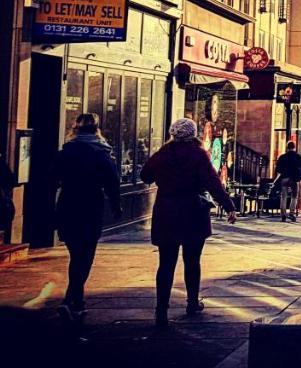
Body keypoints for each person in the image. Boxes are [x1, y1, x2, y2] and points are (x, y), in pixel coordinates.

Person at [141, 118, 237, 329]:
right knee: (192, 261)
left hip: (166, 211)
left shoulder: (163, 154)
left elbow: (145, 175)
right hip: (193, 211)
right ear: (192, 134)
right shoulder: (198, 154)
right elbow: (213, 183)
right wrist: (229, 206)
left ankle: (161, 310)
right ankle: (192, 302)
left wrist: (163, 177)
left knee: (166, 263)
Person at [54, 114, 122, 324]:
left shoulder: (65, 152)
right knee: (85, 254)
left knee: (76, 253)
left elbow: (50, 178)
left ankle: (77, 299)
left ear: (75, 130)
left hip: (67, 204)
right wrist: (115, 205)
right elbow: (113, 181)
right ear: (96, 130)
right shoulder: (101, 153)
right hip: (90, 205)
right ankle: (70, 298)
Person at [273, 142, 301, 222]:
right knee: (294, 196)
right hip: (294, 179)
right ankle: (291, 213)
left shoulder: (282, 157)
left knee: (283, 197)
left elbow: (278, 169)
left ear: (287, 147)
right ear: (294, 147)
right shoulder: (297, 157)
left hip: (284, 178)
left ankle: (283, 215)